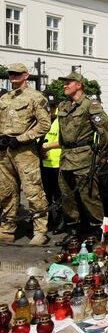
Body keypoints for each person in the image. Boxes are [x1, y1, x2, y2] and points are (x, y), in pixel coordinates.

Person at [57, 71, 108, 240]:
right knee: (67, 196)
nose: (65, 86)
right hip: (66, 157)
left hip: (84, 158)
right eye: (65, 83)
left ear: (79, 85)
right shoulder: (63, 106)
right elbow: (62, 133)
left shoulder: (91, 105)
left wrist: (100, 157)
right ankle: (73, 230)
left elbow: (106, 133)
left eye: (69, 83)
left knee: (88, 196)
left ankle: (99, 230)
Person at [0, 63, 51, 245]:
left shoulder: (36, 97)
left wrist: (22, 138)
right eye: (11, 73)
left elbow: (44, 124)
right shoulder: (4, 98)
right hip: (4, 151)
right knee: (6, 192)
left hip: (24, 151)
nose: (13, 76)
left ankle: (40, 231)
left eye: (17, 73)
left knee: (33, 191)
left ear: (26, 75)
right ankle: (7, 229)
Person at [40, 91, 64, 234]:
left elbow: (64, 140)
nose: (51, 109)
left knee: (59, 196)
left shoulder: (60, 120)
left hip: (57, 164)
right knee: (45, 196)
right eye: (48, 106)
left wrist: (47, 147)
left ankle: (61, 221)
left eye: (53, 106)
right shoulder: (41, 120)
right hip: (43, 164)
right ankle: (47, 221)